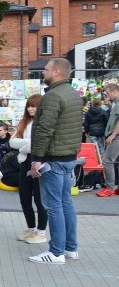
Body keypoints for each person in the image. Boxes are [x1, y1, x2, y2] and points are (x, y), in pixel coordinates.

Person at [29, 58, 82, 264]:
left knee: (53, 205)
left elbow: (45, 129)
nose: (43, 72)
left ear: (58, 72)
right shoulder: (73, 94)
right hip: (68, 156)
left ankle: (56, 251)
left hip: (53, 158)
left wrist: (37, 159)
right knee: (65, 202)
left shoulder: (53, 96)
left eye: (47, 69)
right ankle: (70, 247)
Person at [9, 95, 47, 243]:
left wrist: (24, 146)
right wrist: (28, 143)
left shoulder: (43, 123)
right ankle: (31, 229)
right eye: (28, 106)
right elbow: (12, 142)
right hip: (25, 162)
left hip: (40, 163)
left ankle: (41, 231)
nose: (31, 109)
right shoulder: (24, 122)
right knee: (24, 198)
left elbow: (39, 144)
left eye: (34, 106)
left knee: (39, 199)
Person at [99, 84, 119, 198]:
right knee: (116, 161)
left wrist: (113, 134)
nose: (107, 96)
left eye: (108, 93)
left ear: (115, 91)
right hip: (115, 135)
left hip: (116, 136)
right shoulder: (116, 103)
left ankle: (109, 187)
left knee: (107, 160)